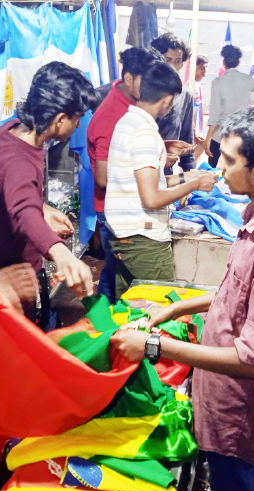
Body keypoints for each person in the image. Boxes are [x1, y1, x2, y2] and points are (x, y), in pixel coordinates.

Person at [111, 106, 254, 491]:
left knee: (239, 483)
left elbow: (252, 362)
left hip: (243, 415)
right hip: (223, 401)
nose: (218, 168)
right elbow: (237, 292)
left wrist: (154, 346)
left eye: (229, 160)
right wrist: (174, 307)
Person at [0, 62, 100, 323]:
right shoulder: (18, 161)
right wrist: (63, 255)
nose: (77, 126)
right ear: (60, 119)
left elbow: (12, 191)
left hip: (14, 266)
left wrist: (43, 208)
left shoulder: (13, 130)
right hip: (10, 278)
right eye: (76, 119)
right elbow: (22, 210)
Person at [105, 62, 217, 298]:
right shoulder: (144, 133)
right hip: (143, 238)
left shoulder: (128, 122)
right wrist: (195, 185)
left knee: (129, 308)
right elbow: (152, 198)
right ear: (167, 100)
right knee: (162, 306)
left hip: (126, 234)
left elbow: (144, 184)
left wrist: (187, 176)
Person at [87, 46, 164, 303]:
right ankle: (104, 322)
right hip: (115, 211)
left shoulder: (130, 106)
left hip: (123, 208)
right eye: (147, 80)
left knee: (114, 273)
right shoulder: (113, 115)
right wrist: (146, 170)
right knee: (116, 278)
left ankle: (105, 321)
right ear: (129, 78)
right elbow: (103, 178)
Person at [205, 45, 254, 167]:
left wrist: (207, 139)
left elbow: (215, 115)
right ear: (238, 62)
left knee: (215, 173)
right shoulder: (247, 79)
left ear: (223, 62)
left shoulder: (217, 82)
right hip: (240, 137)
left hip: (219, 137)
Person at [150, 32, 197, 173]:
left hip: (167, 172)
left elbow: (186, 134)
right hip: (140, 167)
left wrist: (188, 173)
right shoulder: (143, 89)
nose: (172, 66)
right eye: (167, 60)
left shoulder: (185, 94)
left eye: (178, 61)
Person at [194, 55, 208, 161]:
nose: (204, 70)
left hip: (198, 129)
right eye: (201, 68)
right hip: (193, 130)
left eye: (205, 67)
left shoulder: (199, 85)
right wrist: (194, 131)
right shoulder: (190, 86)